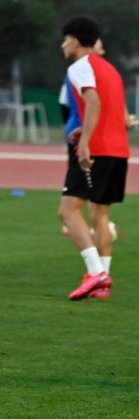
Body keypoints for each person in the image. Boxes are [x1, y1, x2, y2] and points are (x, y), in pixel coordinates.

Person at [57, 17, 129, 301]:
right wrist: (82, 131)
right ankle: (102, 283)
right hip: (118, 151)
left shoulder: (79, 66)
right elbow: (117, 115)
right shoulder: (111, 69)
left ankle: (95, 272)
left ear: (74, 41)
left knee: (68, 211)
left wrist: (85, 141)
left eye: (65, 41)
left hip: (96, 150)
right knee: (100, 215)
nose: (63, 46)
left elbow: (93, 101)